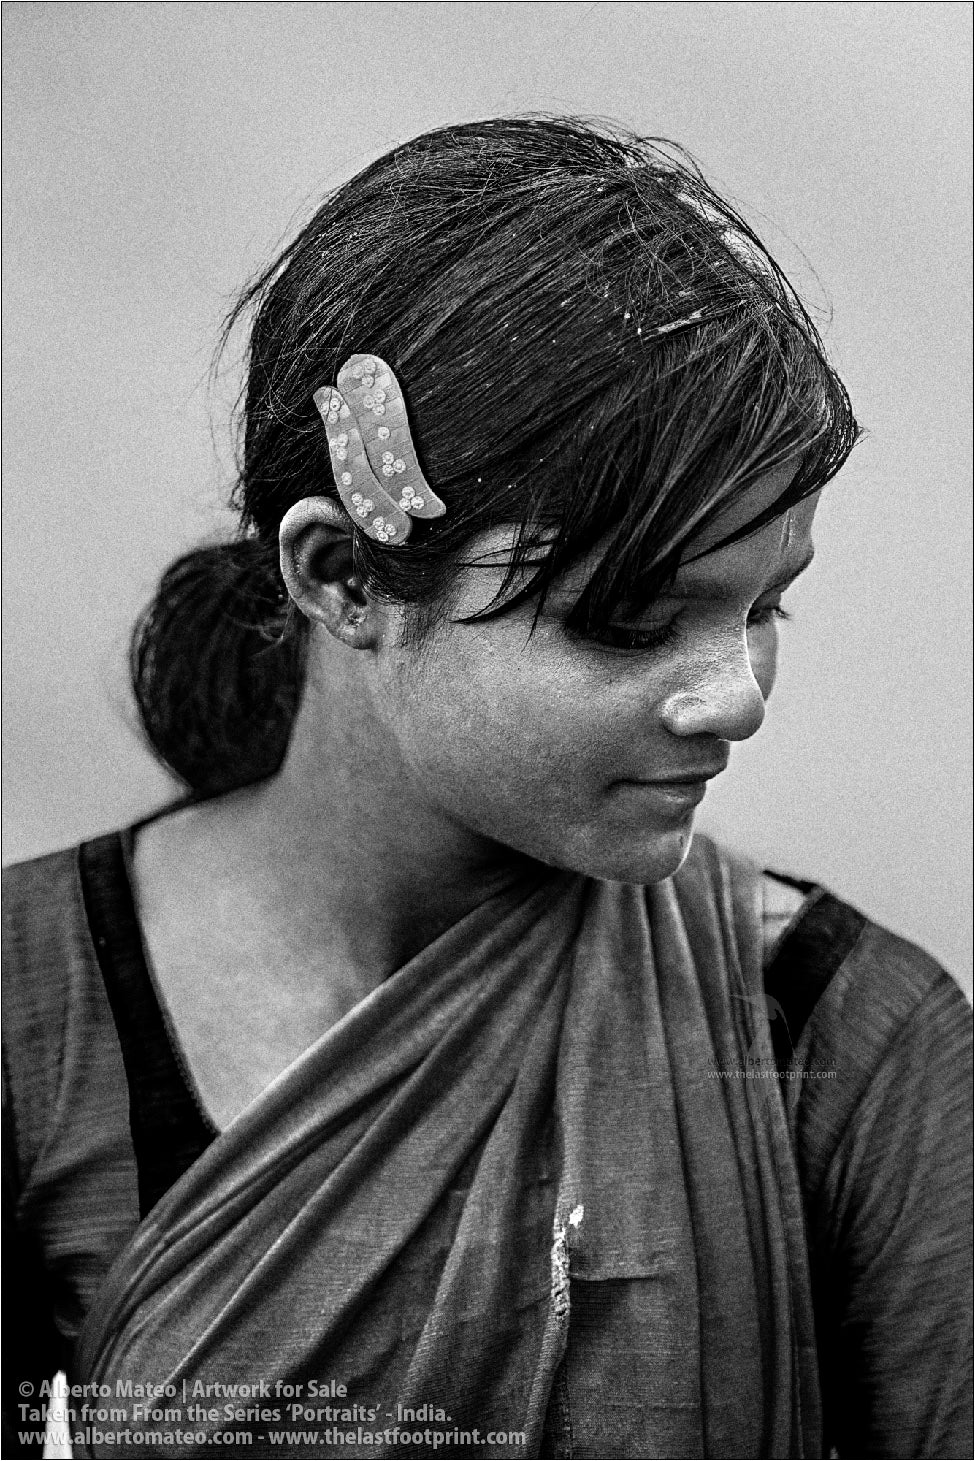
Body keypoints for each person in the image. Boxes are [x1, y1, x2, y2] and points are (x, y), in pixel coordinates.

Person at [3, 116, 971, 1461]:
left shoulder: (844, 1042)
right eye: (633, 618)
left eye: (767, 610)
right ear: (343, 577)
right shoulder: (34, 1014)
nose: (737, 695)